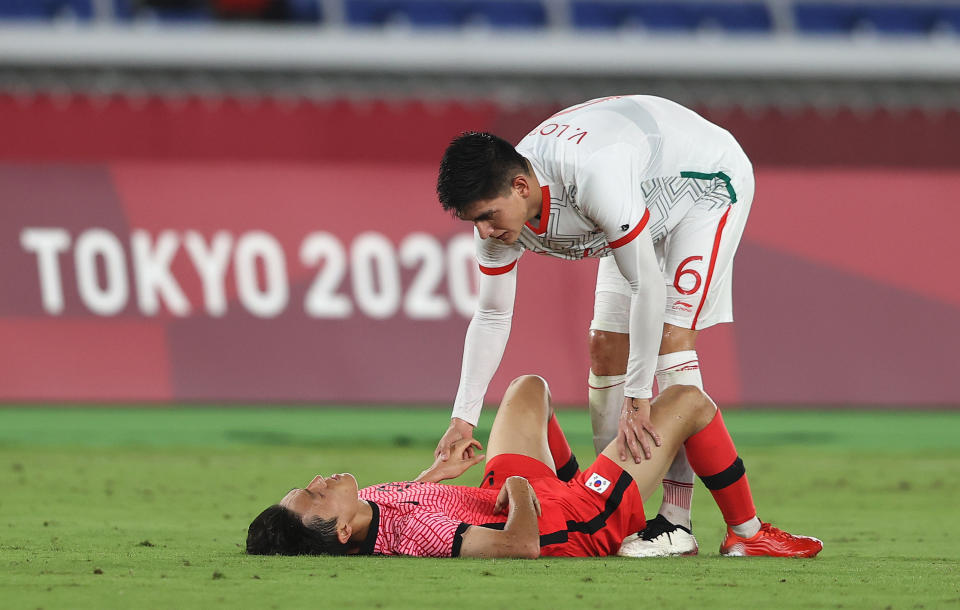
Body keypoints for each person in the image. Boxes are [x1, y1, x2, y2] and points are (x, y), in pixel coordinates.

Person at [434, 95, 755, 555]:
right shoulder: (503, 214)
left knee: (670, 337)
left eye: (487, 217)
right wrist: (463, 419)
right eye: (474, 222)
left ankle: (676, 522)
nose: (484, 232)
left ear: (521, 187)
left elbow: (648, 286)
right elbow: (491, 313)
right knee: (605, 345)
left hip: (704, 185)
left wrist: (639, 396)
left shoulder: (591, 177)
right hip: (636, 194)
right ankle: (617, 506)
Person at [246, 375, 822, 559]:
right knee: (689, 402)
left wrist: (436, 477)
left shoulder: (371, 506)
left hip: (508, 490)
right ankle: (748, 536)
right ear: (342, 531)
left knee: (528, 390)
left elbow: (408, 503)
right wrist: (522, 489)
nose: (320, 481)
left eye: (308, 486)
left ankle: (581, 475)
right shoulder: (418, 536)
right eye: (316, 497)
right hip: (566, 518)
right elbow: (516, 547)